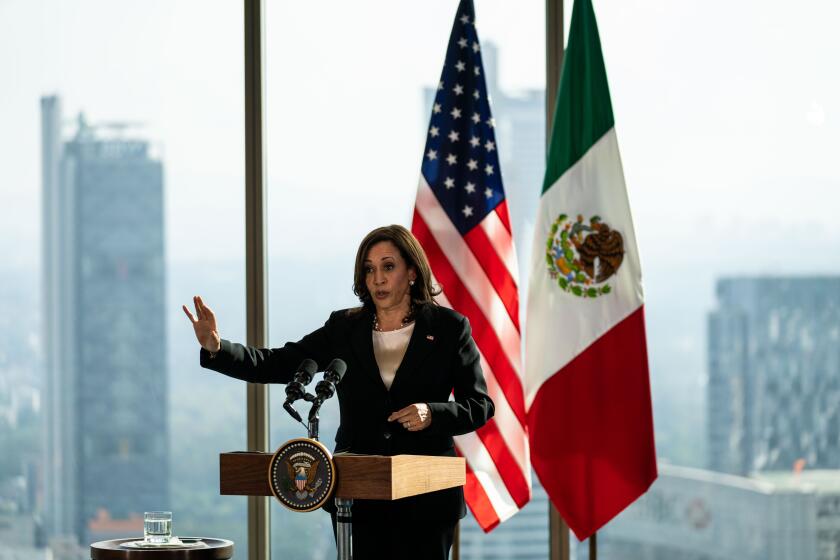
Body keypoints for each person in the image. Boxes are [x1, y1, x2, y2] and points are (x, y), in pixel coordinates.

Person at [183, 224, 494, 559]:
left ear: (413, 272)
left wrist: (432, 413)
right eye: (369, 269)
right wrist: (216, 347)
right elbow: (276, 362)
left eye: (388, 267)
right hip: (356, 497)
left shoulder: (449, 328)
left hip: (426, 499)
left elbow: (480, 405)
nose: (378, 279)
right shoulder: (345, 328)